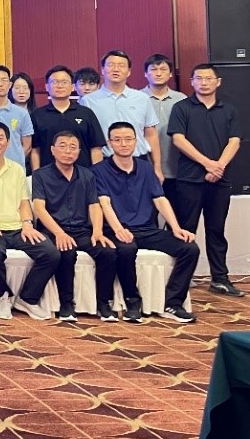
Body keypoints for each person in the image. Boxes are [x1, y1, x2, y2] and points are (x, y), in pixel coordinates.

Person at [94, 121, 200, 323]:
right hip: (117, 229)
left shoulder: (145, 168)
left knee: (190, 248)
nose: (124, 144)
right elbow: (104, 203)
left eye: (128, 139)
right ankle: (133, 301)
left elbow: (160, 199)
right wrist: (118, 229)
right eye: (118, 140)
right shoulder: (98, 170)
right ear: (109, 143)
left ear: (136, 141)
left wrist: (176, 228)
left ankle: (173, 303)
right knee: (126, 249)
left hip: (147, 229)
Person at [0, 121, 61, 320]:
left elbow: (24, 202)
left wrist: (27, 224)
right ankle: (3, 296)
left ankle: (28, 298)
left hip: (17, 228)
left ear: (8, 143)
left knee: (51, 253)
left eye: (1, 138)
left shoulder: (16, 169)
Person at [167, 64, 243, 297]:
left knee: (216, 230)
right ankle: (182, 279)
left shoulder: (229, 109)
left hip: (220, 181)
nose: (204, 82)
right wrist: (208, 164)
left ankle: (220, 278)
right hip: (189, 180)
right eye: (198, 78)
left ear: (218, 82)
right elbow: (178, 140)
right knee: (186, 230)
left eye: (208, 78)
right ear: (192, 82)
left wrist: (218, 167)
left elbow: (234, 141)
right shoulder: (182, 107)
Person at [31, 129, 118, 322]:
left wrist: (97, 231)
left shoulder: (87, 175)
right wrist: (59, 233)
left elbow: (94, 205)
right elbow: (39, 208)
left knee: (108, 252)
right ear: (52, 150)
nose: (68, 151)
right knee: (66, 251)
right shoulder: (41, 175)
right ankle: (66, 303)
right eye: (62, 146)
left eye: (73, 147)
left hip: (81, 230)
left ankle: (104, 303)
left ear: (79, 151)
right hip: (54, 230)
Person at [81, 50, 163, 181]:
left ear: (129, 72)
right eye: (111, 65)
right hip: (105, 163)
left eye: (121, 65)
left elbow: (151, 134)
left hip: (139, 161)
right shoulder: (88, 101)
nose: (116, 69)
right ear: (102, 70)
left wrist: (157, 167)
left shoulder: (142, 98)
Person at [30, 65, 105, 171]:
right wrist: (37, 175)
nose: (59, 86)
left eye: (64, 82)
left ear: (72, 86)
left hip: (83, 175)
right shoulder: (37, 115)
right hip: (48, 176)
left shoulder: (86, 113)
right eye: (55, 82)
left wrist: (96, 175)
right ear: (46, 86)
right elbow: (35, 150)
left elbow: (96, 148)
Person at [144, 54, 187, 204]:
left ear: (170, 74)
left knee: (176, 213)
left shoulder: (182, 99)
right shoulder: (137, 99)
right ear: (145, 74)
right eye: (153, 69)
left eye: (163, 69)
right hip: (146, 168)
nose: (158, 73)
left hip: (176, 168)